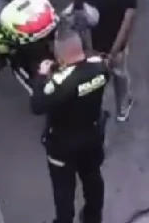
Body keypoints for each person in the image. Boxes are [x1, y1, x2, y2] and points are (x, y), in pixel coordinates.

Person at [30, 22, 111, 223]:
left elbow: (37, 105)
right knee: (92, 179)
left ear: (59, 54)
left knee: (63, 191)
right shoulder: (100, 68)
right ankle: (93, 217)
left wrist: (42, 75)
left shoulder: (60, 83)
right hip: (92, 138)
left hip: (62, 145)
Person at [73, 0, 138, 122]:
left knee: (95, 83)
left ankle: (96, 113)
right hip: (117, 50)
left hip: (94, 49)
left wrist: (90, 51)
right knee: (120, 75)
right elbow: (127, 22)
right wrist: (113, 53)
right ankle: (122, 109)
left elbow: (82, 24)